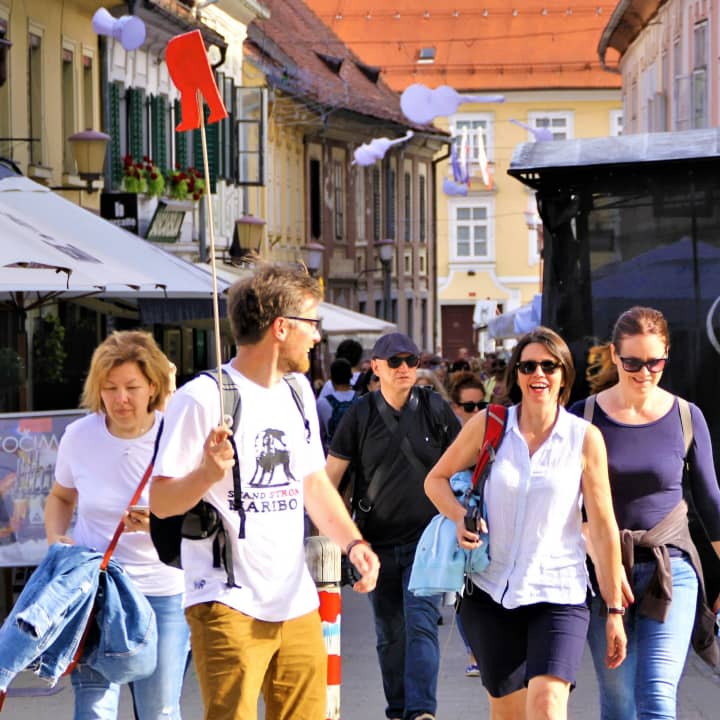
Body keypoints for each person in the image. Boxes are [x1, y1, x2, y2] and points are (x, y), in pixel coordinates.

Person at [149, 262, 380, 720]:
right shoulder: (202, 398)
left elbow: (313, 482)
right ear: (281, 327)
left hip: (295, 599)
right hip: (226, 599)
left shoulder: (298, 391)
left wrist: (353, 544)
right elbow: (160, 502)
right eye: (312, 322)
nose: (317, 336)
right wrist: (206, 474)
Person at [425, 326, 626, 720]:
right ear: (515, 374)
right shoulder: (489, 425)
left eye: (549, 366)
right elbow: (436, 480)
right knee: (510, 714)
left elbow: (603, 527)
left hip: (560, 593)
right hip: (490, 593)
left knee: (547, 707)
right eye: (528, 366)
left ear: (564, 375)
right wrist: (460, 516)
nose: (539, 375)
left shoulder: (584, 438)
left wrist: (615, 611)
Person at [569, 306, 720, 720]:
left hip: (670, 569)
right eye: (632, 362)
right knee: (619, 701)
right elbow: (565, 506)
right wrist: (604, 560)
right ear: (614, 356)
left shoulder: (686, 416)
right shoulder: (583, 417)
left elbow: (710, 502)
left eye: (655, 362)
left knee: (656, 692)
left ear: (666, 355)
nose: (644, 372)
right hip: (601, 572)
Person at [44, 330, 189, 720]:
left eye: (131, 387)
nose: (120, 398)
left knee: (159, 710)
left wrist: (160, 524)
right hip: (97, 592)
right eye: (109, 388)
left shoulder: (176, 436)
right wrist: (56, 541)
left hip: (163, 593)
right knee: (92, 709)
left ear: (153, 386)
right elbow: (61, 497)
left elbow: (200, 512)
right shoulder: (79, 436)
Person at [326, 332, 461, 720]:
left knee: (421, 625)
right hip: (376, 542)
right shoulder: (359, 414)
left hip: (427, 541)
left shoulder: (434, 408)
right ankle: (399, 709)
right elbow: (330, 479)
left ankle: (421, 711)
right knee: (390, 635)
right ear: (376, 367)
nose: (404, 368)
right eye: (395, 361)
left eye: (411, 361)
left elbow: (463, 464)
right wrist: (339, 540)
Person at [445, 370, 488, 677]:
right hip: (459, 517)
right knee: (464, 590)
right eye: (469, 406)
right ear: (456, 408)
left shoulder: (495, 431)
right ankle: (474, 653)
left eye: (481, 405)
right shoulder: (452, 437)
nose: (476, 411)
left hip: (490, 516)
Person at [317, 357, 357, 449]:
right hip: (358, 452)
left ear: (331, 378)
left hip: (333, 452)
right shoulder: (361, 399)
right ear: (351, 376)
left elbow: (319, 431)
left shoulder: (322, 403)